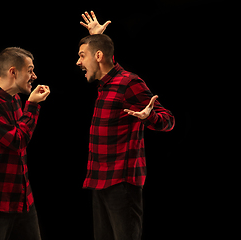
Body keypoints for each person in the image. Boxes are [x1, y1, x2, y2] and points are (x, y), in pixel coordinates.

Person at [77, 11, 175, 240]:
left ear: (98, 56)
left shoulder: (129, 82)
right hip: (100, 181)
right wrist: (96, 39)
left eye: (82, 56)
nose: (78, 62)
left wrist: (149, 117)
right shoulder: (105, 85)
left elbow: (168, 120)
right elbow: (102, 56)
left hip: (122, 184)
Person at [0, 47, 50, 240]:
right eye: (30, 70)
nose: (34, 75)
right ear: (13, 71)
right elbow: (17, 140)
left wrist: (29, 105)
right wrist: (32, 105)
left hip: (22, 199)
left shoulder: (14, 100)